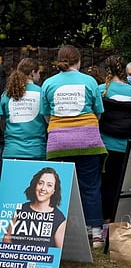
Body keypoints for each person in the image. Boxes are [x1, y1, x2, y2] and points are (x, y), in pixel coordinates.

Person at [40, 45, 107, 249]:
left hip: (58, 143)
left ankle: (61, 236)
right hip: (88, 141)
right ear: (79, 61)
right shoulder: (90, 81)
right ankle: (96, 233)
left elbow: (46, 115)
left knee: (58, 189)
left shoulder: (48, 83)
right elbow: (98, 112)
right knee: (91, 186)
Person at [98, 55, 131, 233]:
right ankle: (123, 219)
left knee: (106, 184)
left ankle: (106, 223)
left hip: (105, 145)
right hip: (126, 146)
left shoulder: (101, 90)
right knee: (123, 186)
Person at [3, 167, 66, 248]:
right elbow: (7, 238)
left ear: (54, 190)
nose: (43, 188)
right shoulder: (21, 209)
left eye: (49, 185)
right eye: (40, 183)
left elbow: (59, 252)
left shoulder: (59, 219)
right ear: (35, 184)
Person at [0, 58, 47, 161]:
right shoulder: (41, 93)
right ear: (32, 73)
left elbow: (2, 123)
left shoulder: (6, 94)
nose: (39, 76)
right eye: (38, 72)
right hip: (36, 151)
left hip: (11, 151)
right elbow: (47, 120)